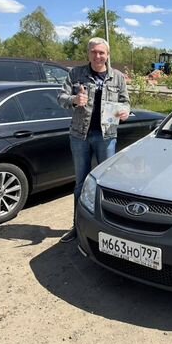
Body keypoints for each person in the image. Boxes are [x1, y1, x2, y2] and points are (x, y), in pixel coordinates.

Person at [57, 37, 130, 242]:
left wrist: (124, 112)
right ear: (88, 54)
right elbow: (60, 98)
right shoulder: (76, 74)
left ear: (107, 54)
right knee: (81, 183)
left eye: (101, 52)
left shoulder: (117, 77)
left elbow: (126, 102)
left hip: (106, 137)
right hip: (80, 136)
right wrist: (73, 100)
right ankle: (77, 226)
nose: (98, 56)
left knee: (106, 183)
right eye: (94, 52)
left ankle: (107, 228)